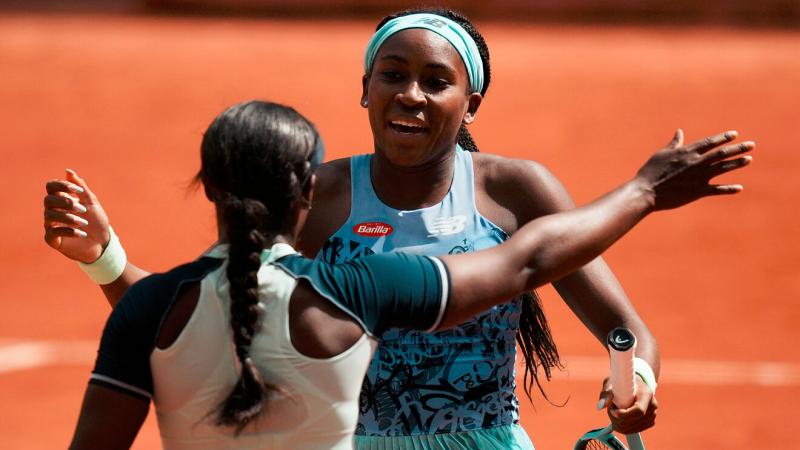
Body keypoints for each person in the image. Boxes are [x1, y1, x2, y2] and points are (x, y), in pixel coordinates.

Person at [43, 8, 755, 449]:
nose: (411, 94)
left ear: (469, 104)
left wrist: (633, 381)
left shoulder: (515, 189)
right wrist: (108, 259)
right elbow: (218, 307)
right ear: (364, 88)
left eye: (435, 81)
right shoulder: (314, 194)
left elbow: (626, 332)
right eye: (392, 75)